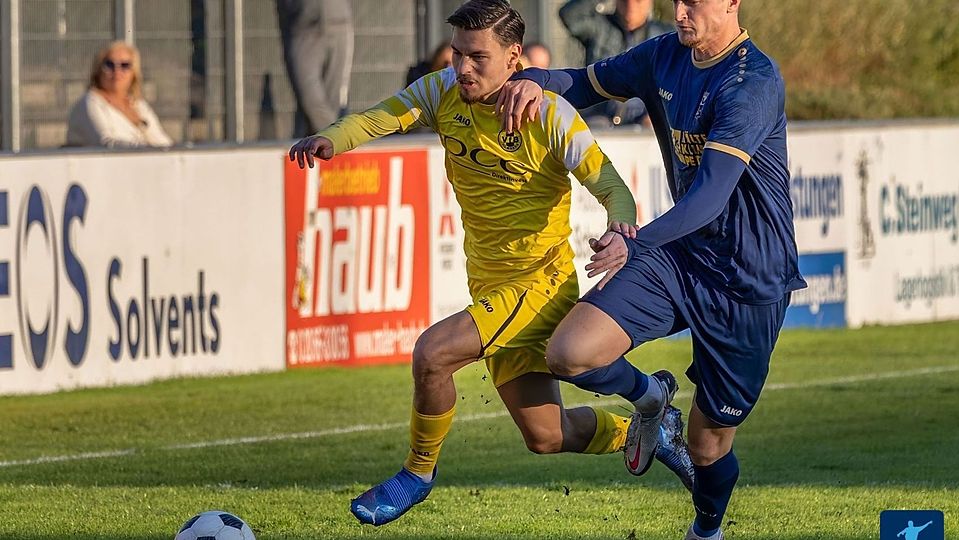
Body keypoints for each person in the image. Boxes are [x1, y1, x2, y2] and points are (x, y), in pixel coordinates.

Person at [289, 0, 693, 527]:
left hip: (539, 285)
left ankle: (416, 473)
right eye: (456, 53)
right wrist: (333, 140)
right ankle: (650, 429)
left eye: (477, 56)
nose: (462, 68)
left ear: (514, 57)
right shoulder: (441, 92)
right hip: (491, 287)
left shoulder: (548, 113)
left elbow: (612, 186)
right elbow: (379, 117)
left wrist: (620, 228)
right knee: (547, 437)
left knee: (433, 354)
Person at [497, 0, 807, 539]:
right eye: (677, 0)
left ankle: (706, 530)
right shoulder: (664, 55)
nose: (679, 10)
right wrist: (533, 81)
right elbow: (586, 82)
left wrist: (634, 244)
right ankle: (650, 398)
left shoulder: (753, 81)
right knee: (570, 354)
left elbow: (709, 196)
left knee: (709, 441)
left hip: (747, 279)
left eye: (694, 1)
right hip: (678, 258)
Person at [559, 0, 671, 127]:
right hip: (601, 117)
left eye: (638, 1)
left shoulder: (665, 36)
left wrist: (660, 114)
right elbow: (569, 15)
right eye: (624, 1)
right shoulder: (599, 27)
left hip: (647, 120)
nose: (631, 6)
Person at [66, 41, 173, 148]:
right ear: (98, 70)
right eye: (109, 64)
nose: (117, 71)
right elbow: (106, 143)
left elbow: (163, 142)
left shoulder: (138, 105)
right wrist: (146, 149)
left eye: (125, 65)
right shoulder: (89, 103)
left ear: (134, 73)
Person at [276, 0, 353, 137]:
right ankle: (337, 143)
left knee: (334, 102)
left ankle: (323, 148)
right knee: (310, 100)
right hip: (301, 28)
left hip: (339, 21)